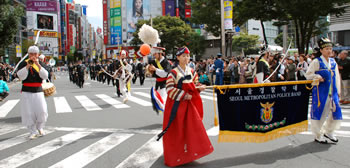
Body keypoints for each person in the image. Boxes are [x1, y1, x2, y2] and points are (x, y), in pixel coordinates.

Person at [160, 47, 213, 167]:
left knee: (192, 128)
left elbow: (195, 84)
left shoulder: (192, 71)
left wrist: (200, 87)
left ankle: (189, 153)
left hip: (189, 106)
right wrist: (183, 95)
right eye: (183, 56)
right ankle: (176, 155)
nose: (186, 58)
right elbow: (169, 89)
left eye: (188, 56)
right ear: (178, 57)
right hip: (176, 106)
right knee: (177, 130)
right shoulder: (173, 73)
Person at [305, 38, 342, 144]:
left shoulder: (333, 61)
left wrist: (338, 91)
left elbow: (337, 78)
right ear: (321, 50)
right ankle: (318, 134)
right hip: (321, 91)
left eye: (330, 48)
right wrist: (317, 77)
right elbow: (308, 75)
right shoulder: (316, 61)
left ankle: (329, 131)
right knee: (321, 112)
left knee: (335, 111)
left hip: (333, 91)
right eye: (326, 49)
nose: (329, 51)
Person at [16, 46, 49, 140]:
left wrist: (38, 65)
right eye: (31, 54)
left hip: (38, 90)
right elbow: (20, 76)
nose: (33, 56)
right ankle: (32, 131)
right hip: (26, 90)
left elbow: (45, 76)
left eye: (35, 54)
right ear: (28, 54)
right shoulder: (23, 63)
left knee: (42, 110)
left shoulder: (41, 64)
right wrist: (27, 66)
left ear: (38, 55)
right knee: (28, 112)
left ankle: (40, 127)